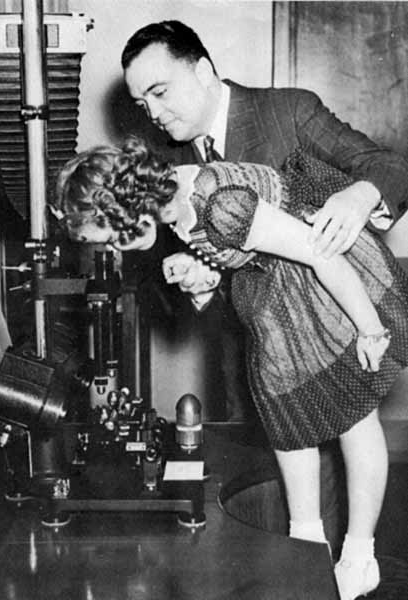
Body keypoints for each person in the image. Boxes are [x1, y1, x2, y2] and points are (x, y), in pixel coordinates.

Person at [54, 137, 408, 600]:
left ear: (128, 213)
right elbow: (241, 247)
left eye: (115, 240)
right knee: (288, 418)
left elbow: (321, 253)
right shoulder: (175, 200)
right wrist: (205, 270)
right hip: (278, 296)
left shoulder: (217, 204)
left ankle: (359, 558)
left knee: (355, 418)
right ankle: (308, 545)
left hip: (328, 286)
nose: (118, 251)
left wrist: (369, 327)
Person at [119, 19, 408, 420]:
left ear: (202, 71)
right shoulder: (165, 157)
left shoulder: (288, 111)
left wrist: (359, 196)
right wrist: (198, 275)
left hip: (327, 348)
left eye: (160, 92)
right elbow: (174, 261)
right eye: (141, 104)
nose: (152, 113)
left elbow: (388, 166)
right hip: (245, 364)